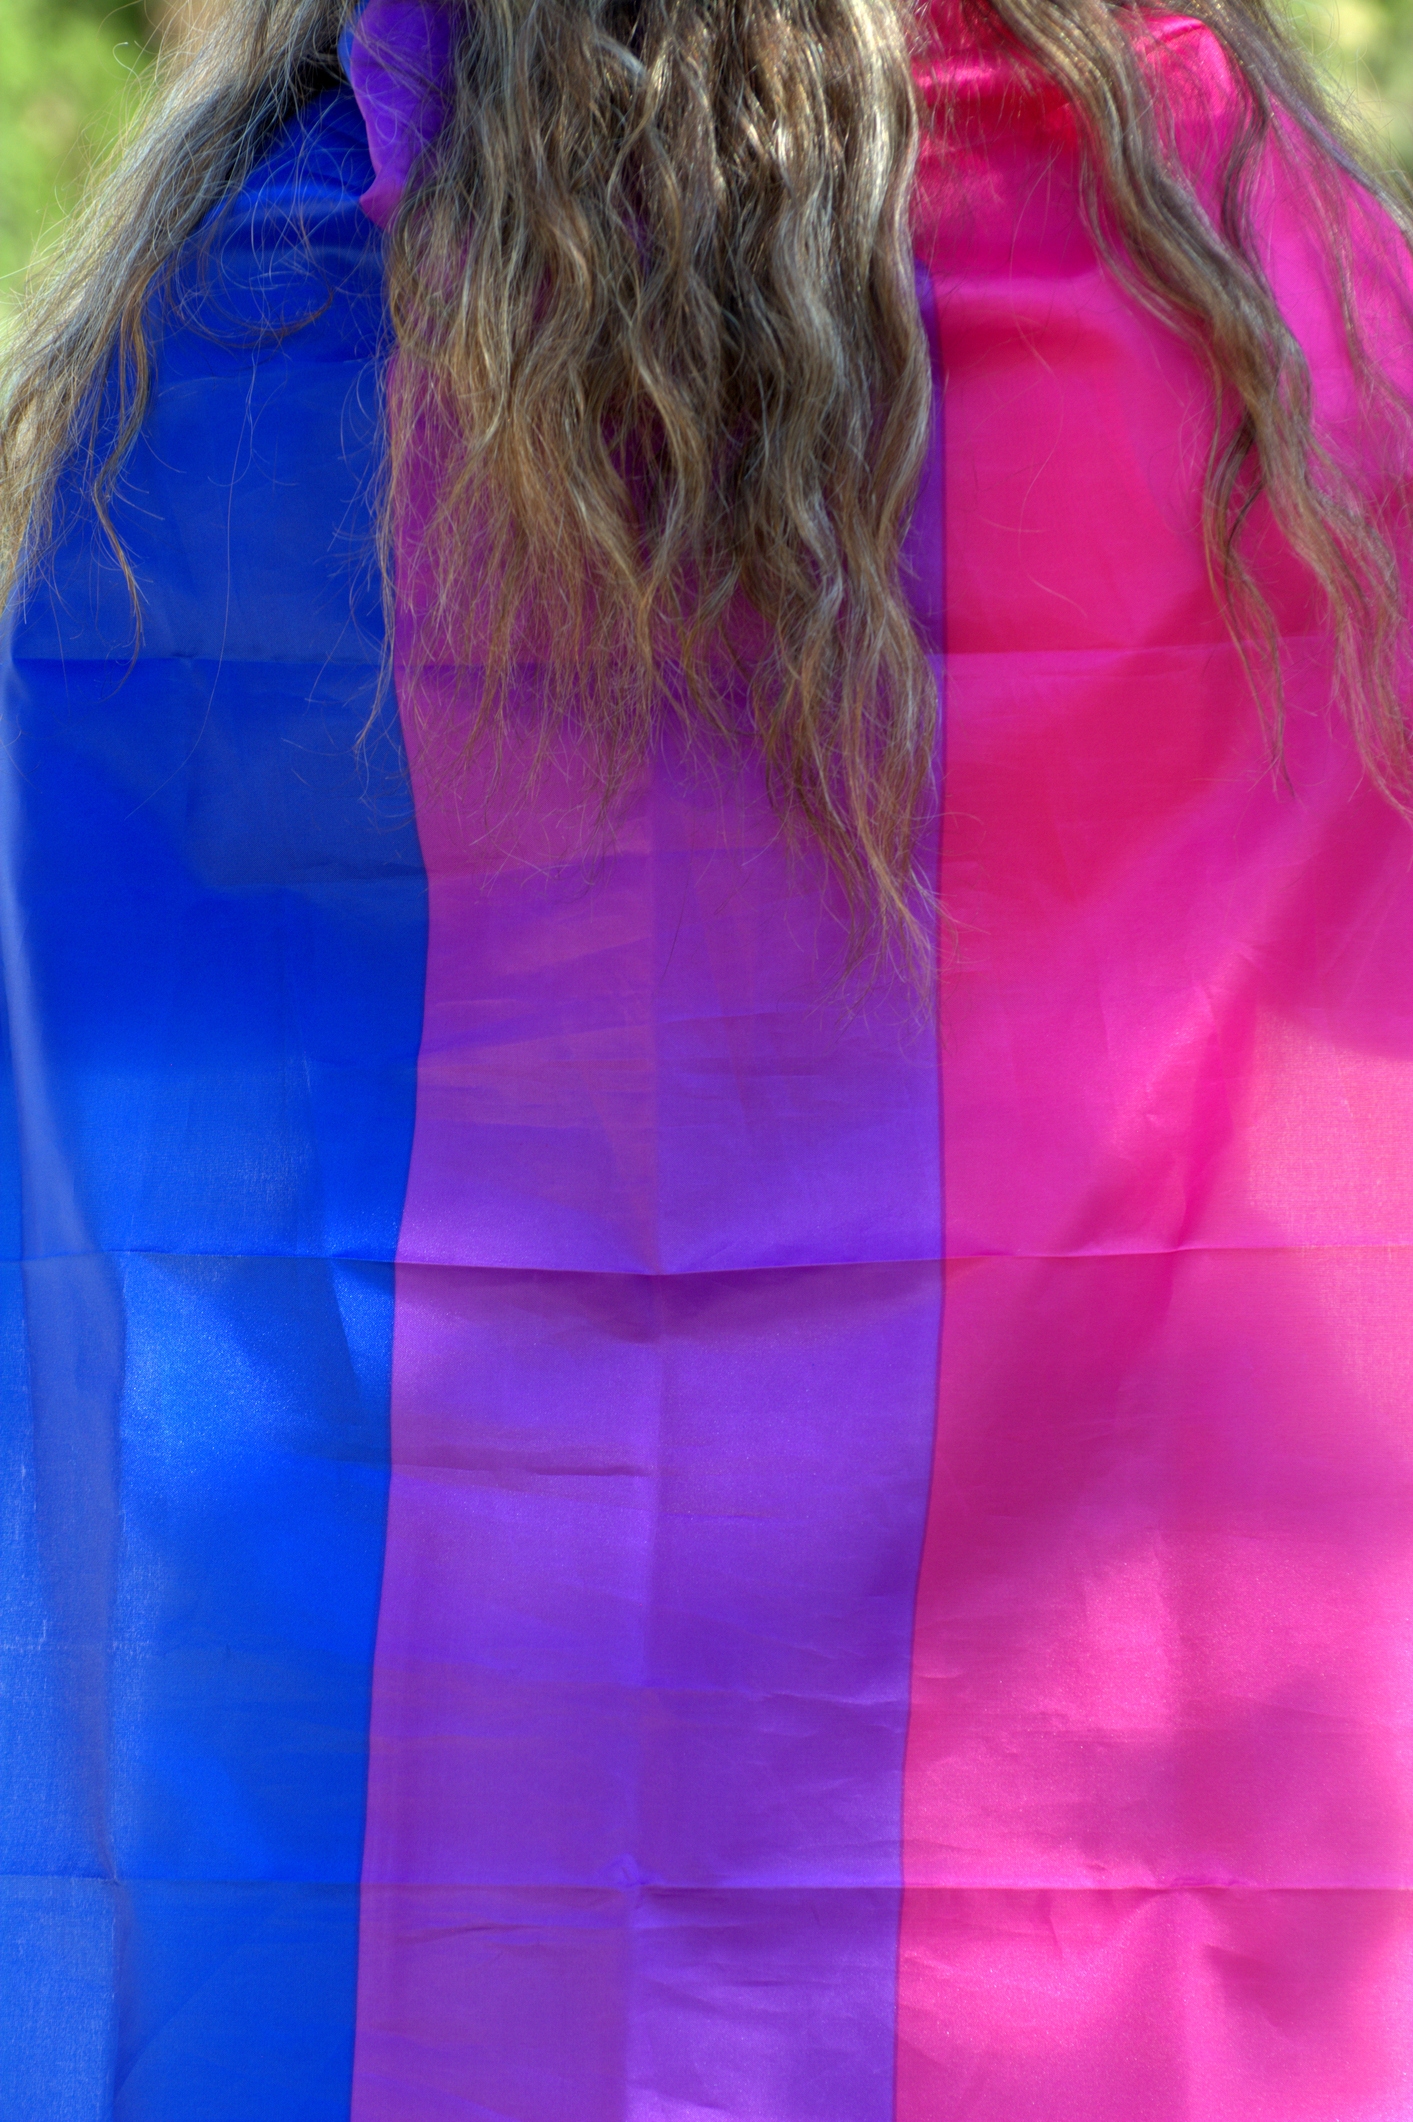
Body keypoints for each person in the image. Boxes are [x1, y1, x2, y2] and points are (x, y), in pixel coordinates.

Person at [1, 0, 1410, 2113]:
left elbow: (139, 1137)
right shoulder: (1264, 332)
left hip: (422, 1915)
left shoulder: (217, 346)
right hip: (1075, 1929)